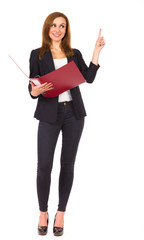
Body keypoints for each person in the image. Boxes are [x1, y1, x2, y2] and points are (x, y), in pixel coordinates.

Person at [28, 11, 105, 237]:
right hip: (48, 115)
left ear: (66, 30)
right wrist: (35, 90)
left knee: (68, 165)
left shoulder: (74, 53)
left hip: (74, 114)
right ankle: (43, 212)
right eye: (53, 25)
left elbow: (88, 78)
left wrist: (96, 52)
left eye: (62, 26)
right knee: (43, 167)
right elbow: (32, 87)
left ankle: (60, 213)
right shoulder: (37, 54)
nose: (57, 29)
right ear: (47, 28)